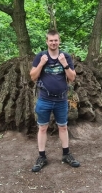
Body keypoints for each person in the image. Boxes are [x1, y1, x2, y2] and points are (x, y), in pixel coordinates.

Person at [29, 29, 80, 172]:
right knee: (42, 128)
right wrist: (41, 64)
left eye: (55, 40)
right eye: (51, 40)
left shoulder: (66, 56)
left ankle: (66, 154)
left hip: (61, 100)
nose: (53, 43)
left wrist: (64, 64)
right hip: (44, 99)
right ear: (47, 41)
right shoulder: (40, 56)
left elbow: (72, 77)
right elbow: (32, 76)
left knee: (63, 127)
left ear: (59, 41)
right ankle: (42, 157)